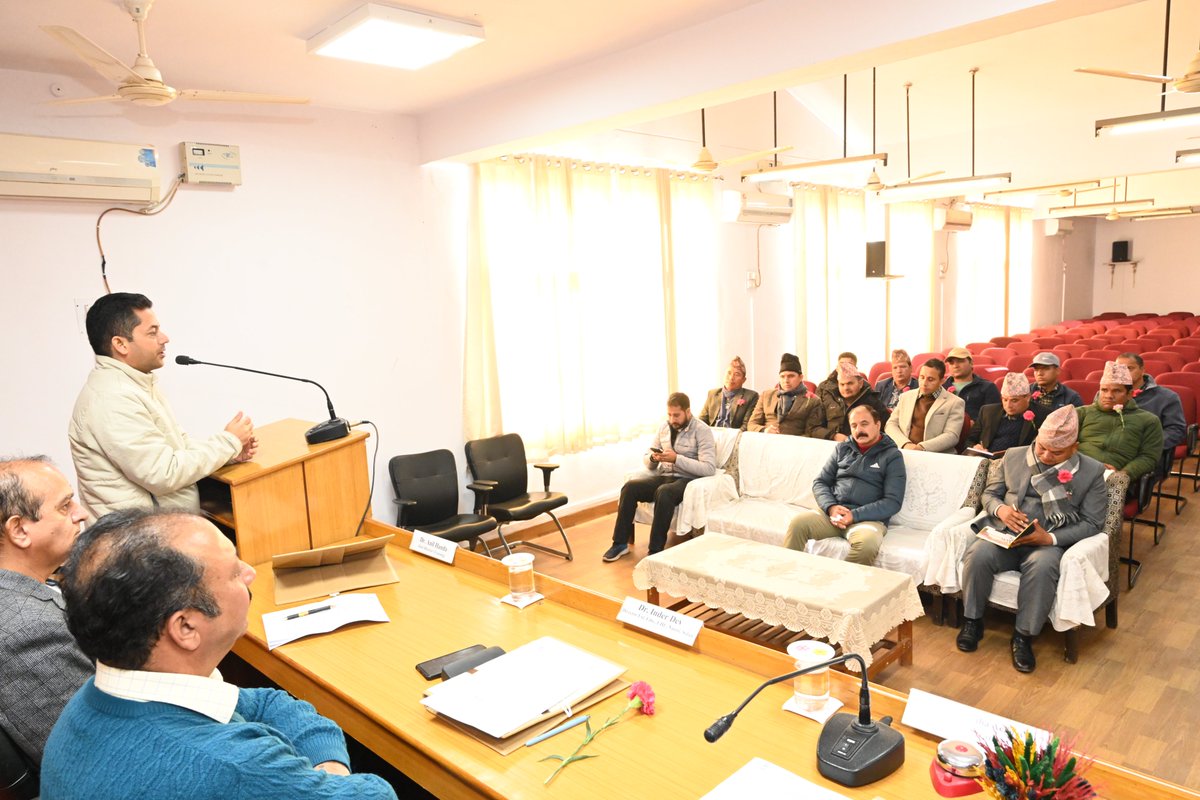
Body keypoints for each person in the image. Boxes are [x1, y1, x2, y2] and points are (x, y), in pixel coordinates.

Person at [40, 508, 397, 800]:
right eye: (233, 572)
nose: (250, 573)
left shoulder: (92, 699)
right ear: (185, 627)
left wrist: (324, 767)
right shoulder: (235, 768)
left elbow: (267, 703)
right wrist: (322, 783)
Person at [68, 292, 259, 520]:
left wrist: (228, 453)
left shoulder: (135, 383)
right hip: (135, 538)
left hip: (158, 528)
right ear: (120, 344)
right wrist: (228, 442)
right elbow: (164, 473)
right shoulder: (113, 398)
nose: (165, 338)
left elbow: (179, 448)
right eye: (152, 332)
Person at [956, 405, 1108, 673]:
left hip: (1048, 540)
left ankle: (1023, 637)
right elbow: (989, 495)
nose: (1046, 456)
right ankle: (972, 621)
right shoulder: (1014, 455)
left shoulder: (1091, 471)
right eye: (1041, 448)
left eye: (1056, 452)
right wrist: (1001, 510)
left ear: (1074, 447)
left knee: (1042, 568)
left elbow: (1093, 523)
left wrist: (1048, 538)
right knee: (978, 555)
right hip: (1006, 533)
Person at [0, 457, 92, 767]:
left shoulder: (30, 589)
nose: (81, 513)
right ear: (19, 530)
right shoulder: (27, 631)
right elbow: (87, 749)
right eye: (65, 506)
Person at [783, 405, 906, 565]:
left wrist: (854, 515)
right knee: (798, 524)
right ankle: (787, 573)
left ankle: (842, 580)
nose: (859, 430)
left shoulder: (892, 456)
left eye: (864, 424)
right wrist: (831, 507)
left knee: (867, 545)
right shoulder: (842, 449)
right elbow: (820, 482)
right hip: (833, 515)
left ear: (878, 425)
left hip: (868, 520)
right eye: (854, 425)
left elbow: (892, 501)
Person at [602, 392, 716, 561]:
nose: (672, 419)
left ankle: (655, 551)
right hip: (665, 475)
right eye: (669, 415)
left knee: (664, 492)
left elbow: (709, 468)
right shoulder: (664, 427)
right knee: (630, 487)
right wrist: (653, 458)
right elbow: (647, 458)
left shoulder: (702, 430)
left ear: (688, 411)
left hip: (688, 480)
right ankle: (619, 544)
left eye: (676, 415)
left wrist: (677, 459)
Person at [1076, 361, 1163, 481]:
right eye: (1104, 390)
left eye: (1117, 391)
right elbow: (1062, 445)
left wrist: (1124, 473)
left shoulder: (1149, 420)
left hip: (1115, 477)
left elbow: (1149, 457)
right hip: (1077, 468)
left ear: (1130, 394)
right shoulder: (1081, 413)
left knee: (1115, 485)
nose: (1109, 395)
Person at [885, 358, 966, 453]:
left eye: (930, 379)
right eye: (922, 377)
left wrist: (921, 447)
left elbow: (952, 436)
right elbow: (891, 424)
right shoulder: (906, 397)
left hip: (936, 455)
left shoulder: (955, 402)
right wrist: (905, 444)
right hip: (905, 451)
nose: (924, 383)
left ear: (942, 381)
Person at [1116, 353, 1186, 452]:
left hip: (1146, 452)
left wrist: (1148, 445)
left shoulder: (1167, 397)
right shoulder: (1106, 395)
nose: (1123, 373)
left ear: (1142, 371)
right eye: (1119, 369)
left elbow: (1176, 430)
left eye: (1129, 368)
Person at [746, 353, 827, 437]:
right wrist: (764, 430)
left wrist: (790, 441)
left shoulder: (813, 401)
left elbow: (811, 432)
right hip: (766, 441)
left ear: (801, 377)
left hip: (795, 443)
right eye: (782, 376)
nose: (786, 380)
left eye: (791, 376)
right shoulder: (766, 395)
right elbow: (751, 424)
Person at [965, 372, 1040, 455]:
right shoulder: (988, 412)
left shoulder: (1041, 414)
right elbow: (969, 440)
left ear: (1028, 397)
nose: (1008, 405)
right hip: (985, 458)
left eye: (1014, 400)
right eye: (1005, 400)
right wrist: (975, 447)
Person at [821, 362, 887, 442]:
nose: (846, 388)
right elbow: (815, 428)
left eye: (850, 383)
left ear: (860, 383)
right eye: (842, 384)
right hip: (830, 444)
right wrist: (833, 435)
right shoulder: (829, 400)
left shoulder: (874, 404)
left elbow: (884, 431)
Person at [698, 356, 760, 431]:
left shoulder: (751, 396)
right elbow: (702, 420)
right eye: (729, 373)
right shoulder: (713, 394)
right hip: (712, 434)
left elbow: (746, 425)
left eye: (737, 374)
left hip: (734, 435)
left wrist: (734, 436)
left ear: (744, 380)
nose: (731, 378)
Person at [943, 347, 1000, 423]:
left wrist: (976, 425)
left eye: (960, 361)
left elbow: (994, 417)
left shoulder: (988, 387)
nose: (955, 366)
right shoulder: (941, 388)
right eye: (951, 363)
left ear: (971, 363)